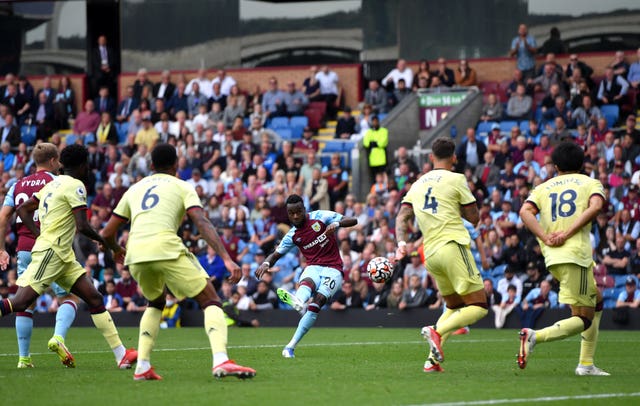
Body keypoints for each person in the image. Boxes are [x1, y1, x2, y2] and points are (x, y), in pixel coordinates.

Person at [101, 143, 255, 380]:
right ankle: (221, 361)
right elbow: (201, 222)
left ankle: (142, 366)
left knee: (155, 301)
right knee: (210, 299)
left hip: (136, 252)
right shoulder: (182, 185)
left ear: (151, 166)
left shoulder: (134, 189)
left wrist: (115, 249)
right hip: (166, 247)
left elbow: (107, 233)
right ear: (176, 166)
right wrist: (226, 258)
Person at [0, 144, 137, 369]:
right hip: (51, 252)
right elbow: (82, 226)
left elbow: (23, 209)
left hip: (62, 255)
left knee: (94, 297)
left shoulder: (52, 185)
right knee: (21, 302)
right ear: (82, 165)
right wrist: (108, 243)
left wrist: (40, 233)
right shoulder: (76, 185)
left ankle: (121, 355)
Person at [395, 137, 488, 373]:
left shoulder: (416, 184)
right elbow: (474, 218)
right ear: (454, 158)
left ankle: (431, 362)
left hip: (431, 254)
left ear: (430, 158)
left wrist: (402, 243)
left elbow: (401, 217)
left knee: (454, 307)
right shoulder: (456, 178)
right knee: (479, 305)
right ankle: (436, 331)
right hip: (452, 245)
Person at [518, 141, 608, 376]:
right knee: (584, 318)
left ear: (555, 165)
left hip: (553, 256)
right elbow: (597, 206)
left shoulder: (542, 187)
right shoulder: (590, 183)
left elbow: (524, 212)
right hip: (574, 255)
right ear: (582, 164)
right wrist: (568, 232)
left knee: (596, 300)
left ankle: (586, 364)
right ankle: (535, 336)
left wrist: (545, 237)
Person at [0, 143, 78, 368]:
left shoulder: (17, 185)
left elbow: (4, 217)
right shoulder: (57, 182)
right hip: (51, 247)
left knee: (25, 303)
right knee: (69, 297)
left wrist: (2, 249)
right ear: (54, 161)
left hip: (24, 249)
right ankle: (58, 338)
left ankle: (24, 359)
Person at [255, 194, 357, 358]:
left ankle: (292, 338)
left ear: (304, 210)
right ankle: (298, 304)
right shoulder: (292, 235)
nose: (295, 216)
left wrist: (337, 224)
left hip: (334, 269)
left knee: (317, 303)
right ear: (288, 214)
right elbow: (275, 255)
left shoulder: (320, 217)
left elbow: (353, 220)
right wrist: (265, 264)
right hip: (313, 267)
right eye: (291, 213)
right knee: (307, 281)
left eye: (298, 212)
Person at [362, 115, 388, 184]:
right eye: (373, 121)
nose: (375, 123)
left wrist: (373, 143)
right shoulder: (369, 132)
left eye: (376, 121)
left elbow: (382, 143)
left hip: (382, 158)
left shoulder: (383, 131)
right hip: (372, 159)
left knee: (383, 175)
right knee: (374, 178)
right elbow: (366, 143)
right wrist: (376, 143)